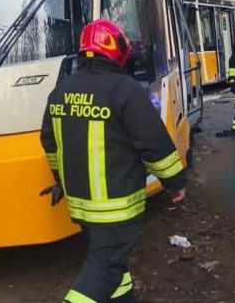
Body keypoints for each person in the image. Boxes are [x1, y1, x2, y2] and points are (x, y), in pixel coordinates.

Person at [40, 19, 186, 302]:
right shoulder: (125, 90)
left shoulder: (60, 91)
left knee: (112, 266)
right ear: (118, 50)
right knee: (105, 268)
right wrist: (175, 182)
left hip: (81, 205)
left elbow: (50, 144)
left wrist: (61, 180)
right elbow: (154, 145)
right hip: (116, 209)